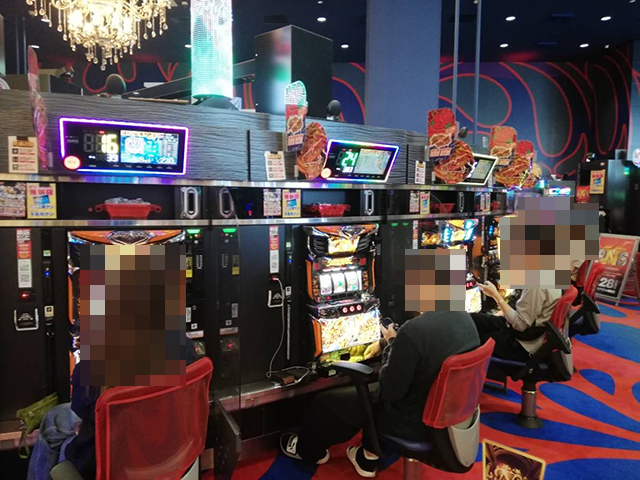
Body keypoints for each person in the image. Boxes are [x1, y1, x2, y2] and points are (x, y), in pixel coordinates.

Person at [281, 290, 480, 476]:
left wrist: (392, 345)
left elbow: (390, 390)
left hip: (413, 422)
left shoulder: (415, 331)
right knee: (375, 393)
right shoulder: (463, 318)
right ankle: (367, 458)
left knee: (326, 403)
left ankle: (308, 451)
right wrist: (392, 343)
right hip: (448, 415)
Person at [27, 336, 198, 480]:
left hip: (116, 465)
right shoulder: (184, 345)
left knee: (61, 439)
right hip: (171, 455)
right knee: (56, 418)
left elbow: (80, 408)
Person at [470, 282, 562, 361]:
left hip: (523, 343)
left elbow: (520, 325)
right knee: (473, 319)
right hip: (530, 331)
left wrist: (495, 295)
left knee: (475, 337)